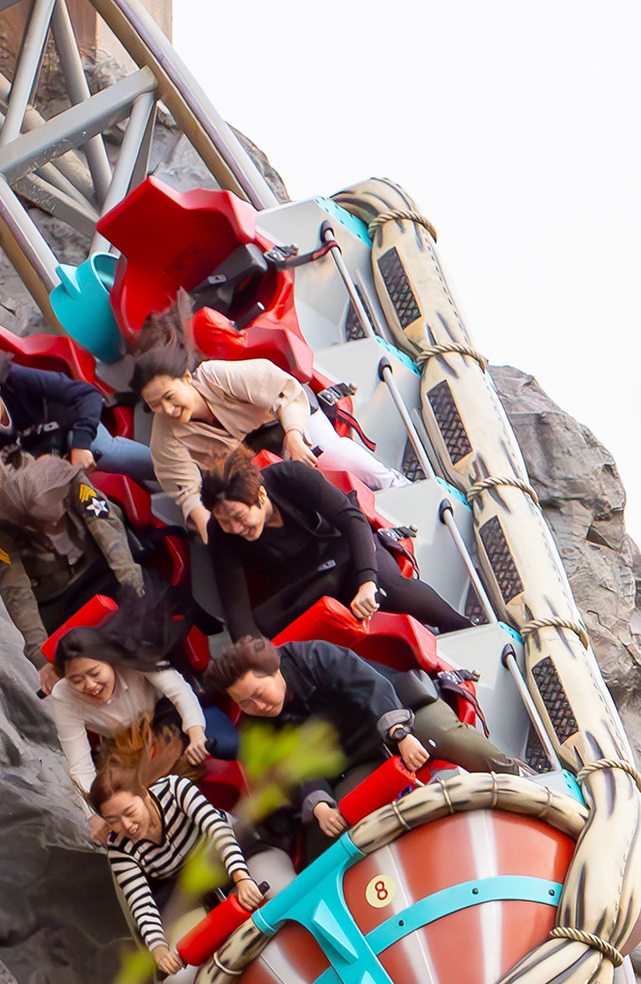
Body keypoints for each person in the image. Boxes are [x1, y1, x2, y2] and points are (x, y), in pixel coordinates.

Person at [213, 633, 515, 845]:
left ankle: (518, 779)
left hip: (402, 714)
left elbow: (370, 686)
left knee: (452, 739)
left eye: (258, 694)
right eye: (245, 703)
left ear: (274, 669)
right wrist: (318, 804)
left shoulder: (312, 656)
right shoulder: (257, 725)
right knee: (337, 820)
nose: (257, 706)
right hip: (356, 757)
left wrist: (400, 734)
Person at [199, 444, 473, 642]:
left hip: (345, 550)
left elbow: (352, 520)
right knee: (275, 629)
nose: (235, 528)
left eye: (239, 516)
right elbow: (236, 607)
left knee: (392, 589)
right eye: (225, 520)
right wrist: (256, 656)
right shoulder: (221, 534)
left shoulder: (291, 476)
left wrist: (367, 581)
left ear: (260, 495)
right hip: (305, 581)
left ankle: (462, 630)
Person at [133, 338, 394, 540]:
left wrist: (293, 435)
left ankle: (392, 484)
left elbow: (284, 392)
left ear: (187, 378)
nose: (166, 410)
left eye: (169, 396)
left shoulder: (215, 377)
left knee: (332, 453)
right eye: (155, 405)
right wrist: (216, 531)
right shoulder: (165, 438)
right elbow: (188, 493)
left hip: (289, 423)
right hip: (256, 468)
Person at [0, 344, 154, 538]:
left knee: (106, 450)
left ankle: (175, 471)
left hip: (68, 430)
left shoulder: (17, 380)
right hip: (30, 466)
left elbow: (86, 395)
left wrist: (81, 444)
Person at [89, 751, 265, 982]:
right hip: (189, 888)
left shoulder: (174, 789)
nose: (127, 826)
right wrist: (158, 948)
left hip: (232, 852)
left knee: (277, 888)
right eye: (113, 822)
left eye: (130, 813)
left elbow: (217, 830)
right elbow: (139, 900)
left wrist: (241, 877)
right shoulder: (119, 848)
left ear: (143, 793)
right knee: (178, 981)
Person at [48, 594, 240, 804]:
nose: (90, 685)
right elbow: (79, 765)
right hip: (128, 744)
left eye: (95, 673)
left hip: (170, 715)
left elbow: (179, 691)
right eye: (76, 680)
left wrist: (196, 734)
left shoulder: (133, 654)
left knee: (229, 745)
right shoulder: (63, 696)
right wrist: (98, 809)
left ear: (110, 661)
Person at [0, 452, 147, 676]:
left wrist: (132, 584)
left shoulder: (72, 481)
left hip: (102, 569)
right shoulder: (0, 529)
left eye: (56, 519)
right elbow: (15, 589)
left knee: (146, 615)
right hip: (59, 600)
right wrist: (39, 655)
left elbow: (105, 527)